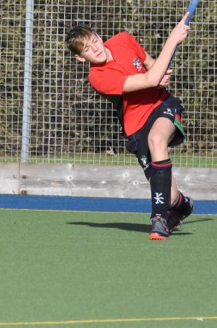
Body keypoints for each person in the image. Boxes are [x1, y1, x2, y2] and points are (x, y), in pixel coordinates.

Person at [65, 13, 194, 240]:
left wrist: (161, 75)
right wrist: (172, 40)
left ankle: (159, 218)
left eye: (94, 40)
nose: (95, 48)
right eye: (87, 49)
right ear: (80, 58)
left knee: (157, 139)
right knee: (169, 197)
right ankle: (181, 205)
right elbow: (148, 79)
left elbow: (151, 67)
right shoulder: (98, 78)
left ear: (99, 36)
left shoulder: (123, 39)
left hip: (161, 105)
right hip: (135, 126)